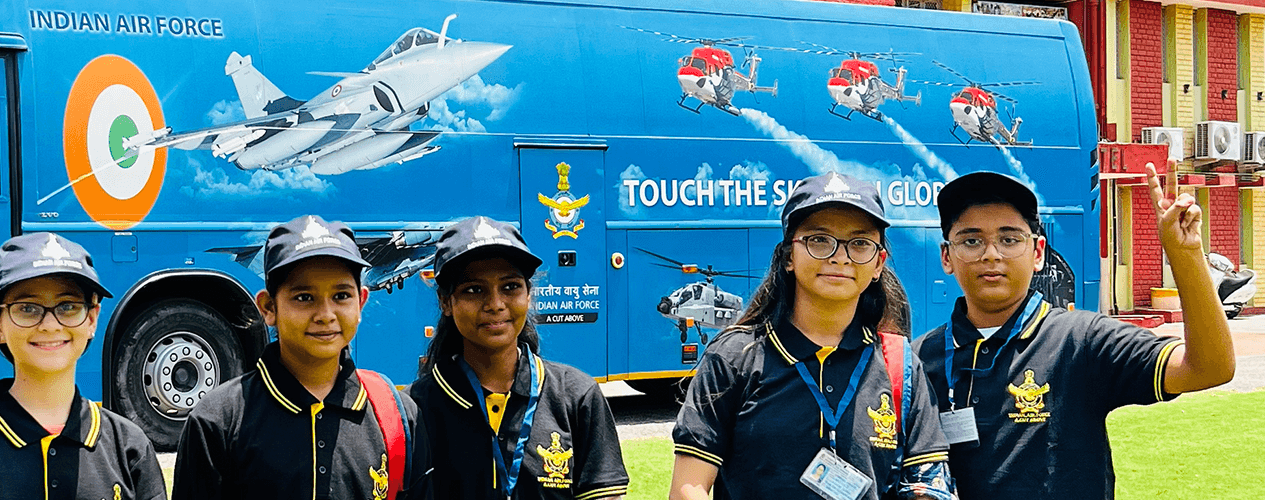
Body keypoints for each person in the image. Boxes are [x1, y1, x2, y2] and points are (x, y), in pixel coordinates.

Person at [916, 169, 1235, 498]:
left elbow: (1208, 368)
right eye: (971, 241)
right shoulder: (918, 360)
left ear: (1038, 252)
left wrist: (1185, 255)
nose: (991, 254)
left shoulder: (1082, 340)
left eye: (1009, 239)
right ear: (946, 256)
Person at [671, 172, 957, 500]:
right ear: (789, 256)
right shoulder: (736, 355)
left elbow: (929, 488)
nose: (839, 256)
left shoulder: (901, 365)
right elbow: (687, 488)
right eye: (819, 239)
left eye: (860, 243)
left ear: (878, 263)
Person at [174, 215, 431, 500]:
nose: (325, 314)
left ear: (361, 303)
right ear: (268, 307)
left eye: (341, 295)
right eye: (304, 297)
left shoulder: (397, 415)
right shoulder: (218, 421)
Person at [0, 232, 166, 500]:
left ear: (92, 318)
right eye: (28, 308)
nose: (50, 325)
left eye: (68, 306)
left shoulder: (128, 446)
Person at [409, 216, 630, 500]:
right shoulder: (417, 408)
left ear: (528, 294)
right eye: (474, 290)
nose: (495, 304)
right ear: (445, 301)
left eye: (510, 287)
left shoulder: (576, 395)